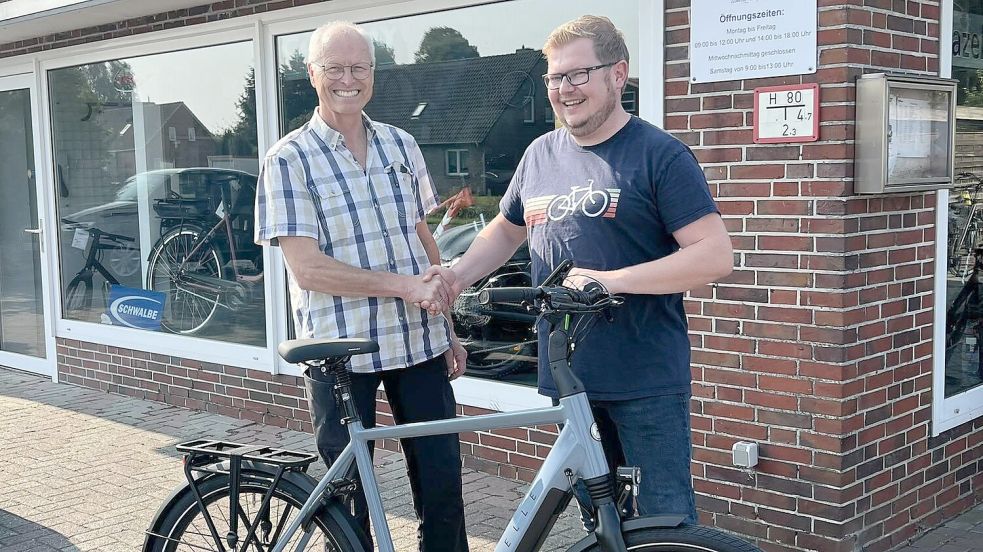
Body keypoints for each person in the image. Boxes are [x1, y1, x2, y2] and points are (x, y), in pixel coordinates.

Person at [434, 15, 733, 524]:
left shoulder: (659, 154)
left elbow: (713, 255)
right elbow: (507, 232)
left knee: (662, 524)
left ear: (618, 74)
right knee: (602, 524)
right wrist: (456, 277)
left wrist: (610, 281)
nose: (564, 89)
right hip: (569, 377)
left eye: (578, 75)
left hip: (644, 380)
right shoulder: (539, 155)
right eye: (554, 78)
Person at [254, 21, 469, 552]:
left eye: (359, 68)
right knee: (349, 504)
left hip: (418, 343)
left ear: (373, 74)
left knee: (442, 487)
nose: (348, 79)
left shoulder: (402, 144)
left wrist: (448, 325)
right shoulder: (288, 159)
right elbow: (308, 270)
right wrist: (402, 287)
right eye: (335, 68)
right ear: (312, 75)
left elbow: (421, 237)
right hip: (340, 354)